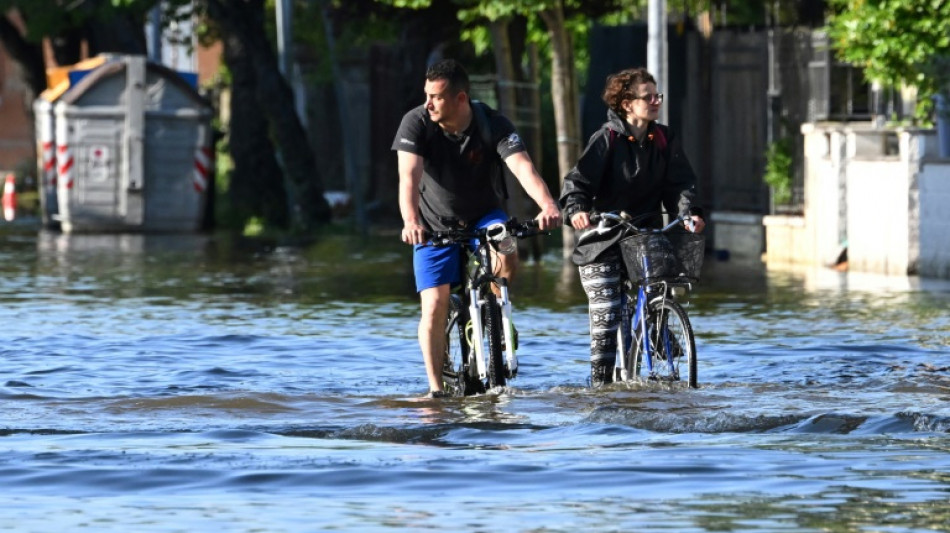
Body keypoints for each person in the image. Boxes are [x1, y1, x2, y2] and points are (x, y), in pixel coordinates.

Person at [393, 59, 562, 398]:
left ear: (460, 98)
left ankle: (496, 315)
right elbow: (408, 179)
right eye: (426, 95)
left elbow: (523, 168)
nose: (428, 103)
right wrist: (411, 222)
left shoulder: (492, 123)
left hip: (485, 215)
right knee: (435, 305)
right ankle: (436, 390)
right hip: (432, 223)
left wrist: (548, 205)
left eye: (436, 97)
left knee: (508, 248)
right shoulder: (416, 123)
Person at [559, 67, 706, 387]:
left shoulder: (665, 138)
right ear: (626, 103)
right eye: (648, 97)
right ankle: (600, 386)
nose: (656, 102)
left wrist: (689, 213)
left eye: (658, 96)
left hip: (644, 235)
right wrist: (577, 209)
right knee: (608, 313)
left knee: (659, 289)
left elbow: (681, 184)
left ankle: (653, 337)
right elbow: (577, 182)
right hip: (603, 238)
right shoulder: (607, 138)